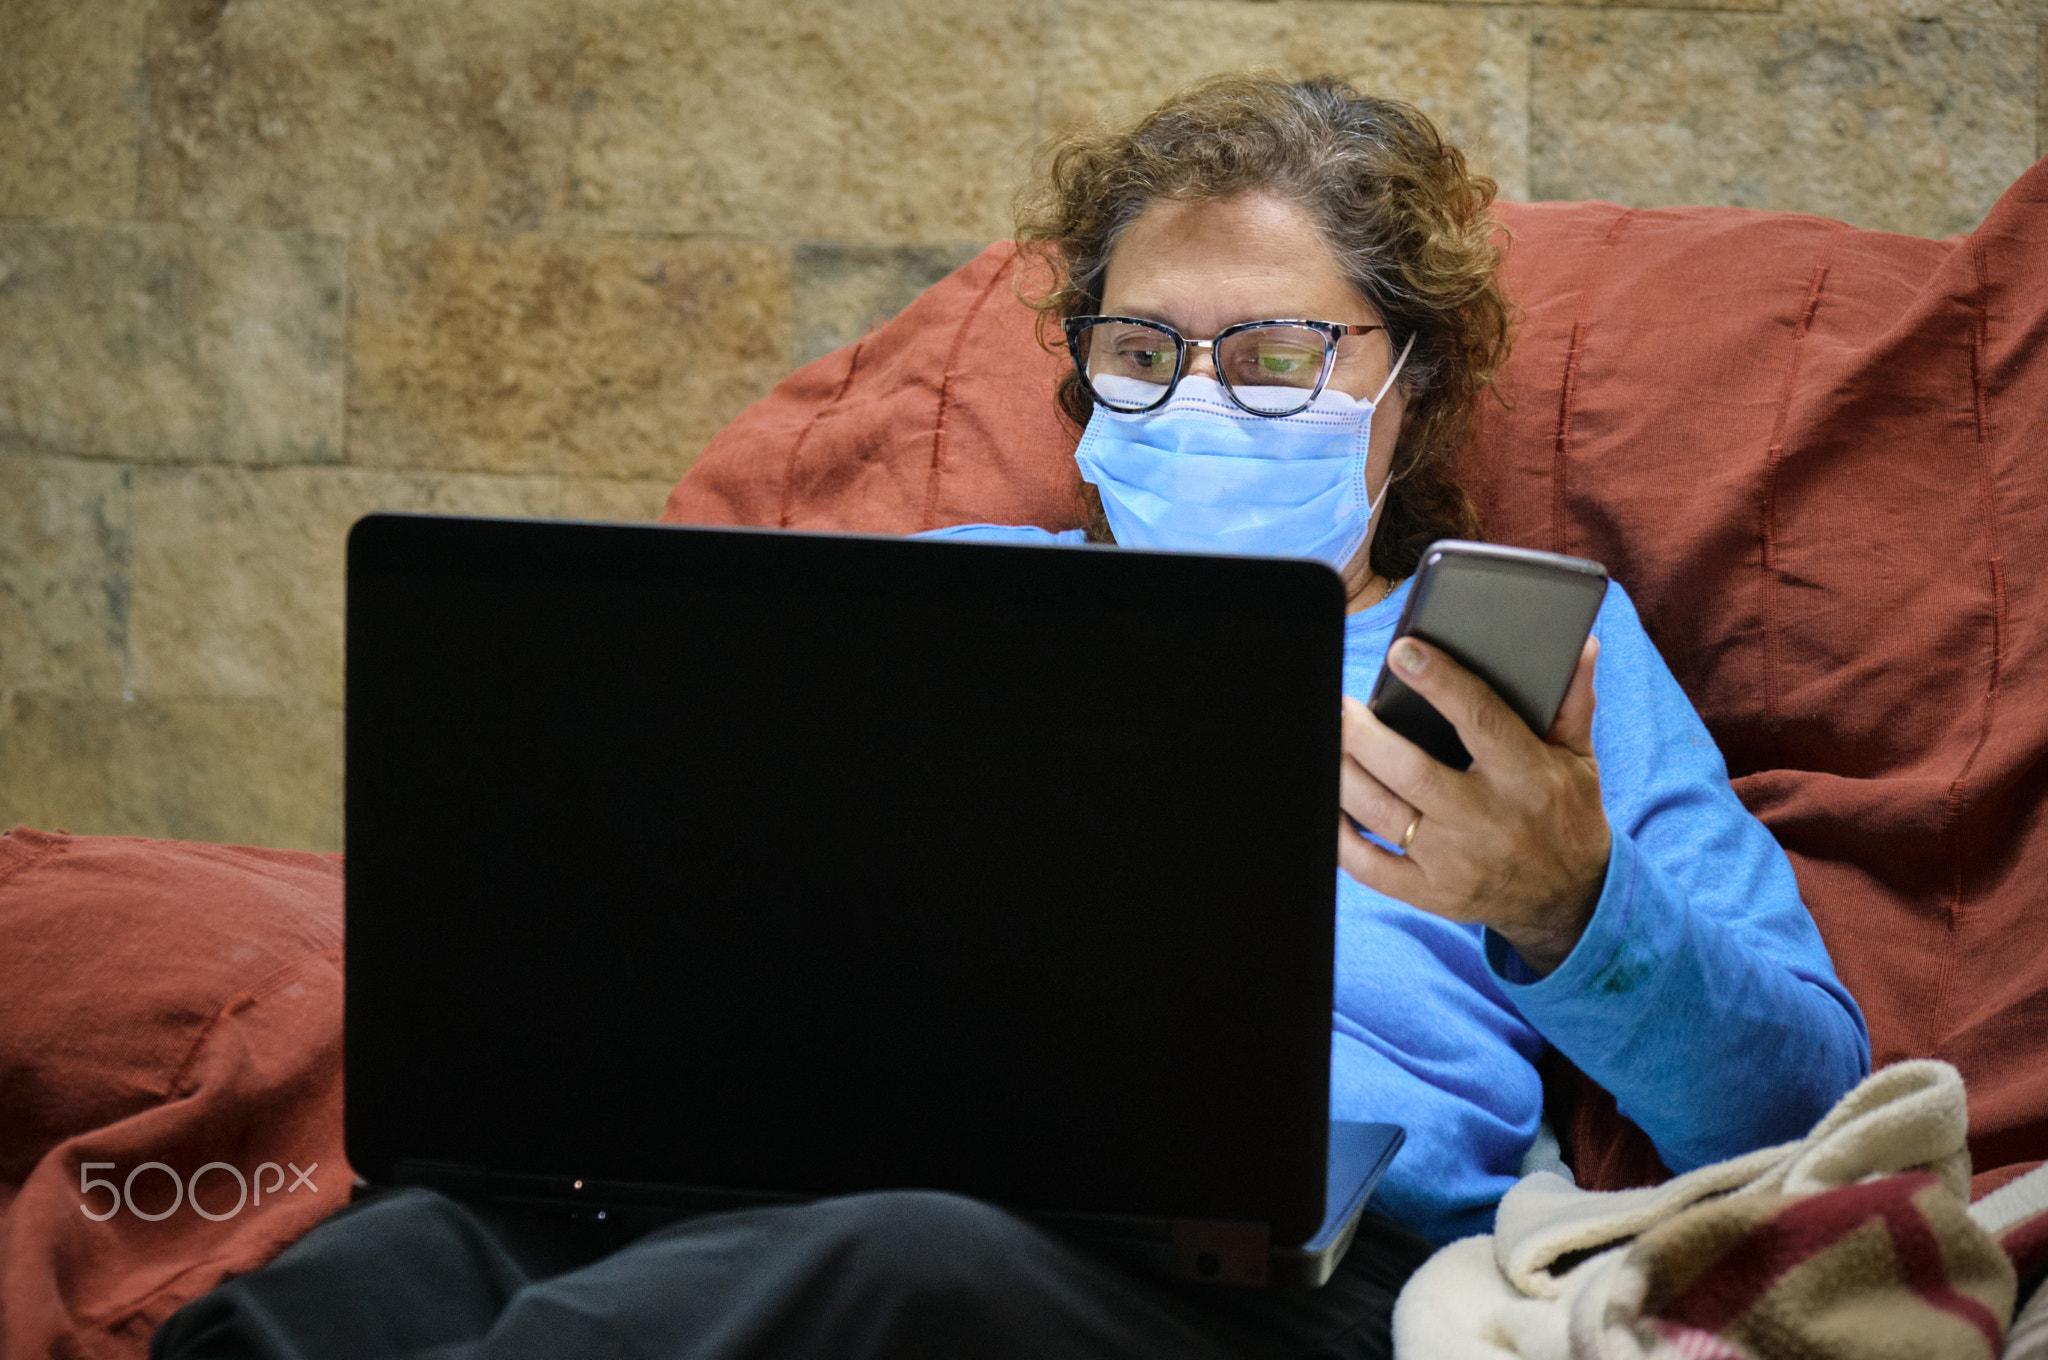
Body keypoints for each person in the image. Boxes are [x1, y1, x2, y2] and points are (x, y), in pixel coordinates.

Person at [155, 74, 1868, 1360]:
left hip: (1264, 1287)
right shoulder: (950, 591)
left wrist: (1571, 908)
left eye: (1275, 357)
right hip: (811, 1168)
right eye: (1142, 350)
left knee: (896, 1262)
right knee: (416, 1245)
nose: (1199, 401)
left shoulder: (1525, 659)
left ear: (1407, 390)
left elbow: (1802, 1099)